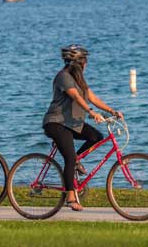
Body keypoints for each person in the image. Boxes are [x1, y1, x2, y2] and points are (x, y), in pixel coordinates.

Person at [42, 44, 123, 212]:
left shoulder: (79, 79)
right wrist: (91, 112)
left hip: (72, 123)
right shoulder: (63, 77)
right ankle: (70, 197)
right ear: (78, 62)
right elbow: (76, 96)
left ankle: (75, 160)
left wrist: (112, 111)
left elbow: (91, 97)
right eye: (84, 61)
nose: (86, 64)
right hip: (56, 123)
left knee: (96, 137)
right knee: (69, 158)